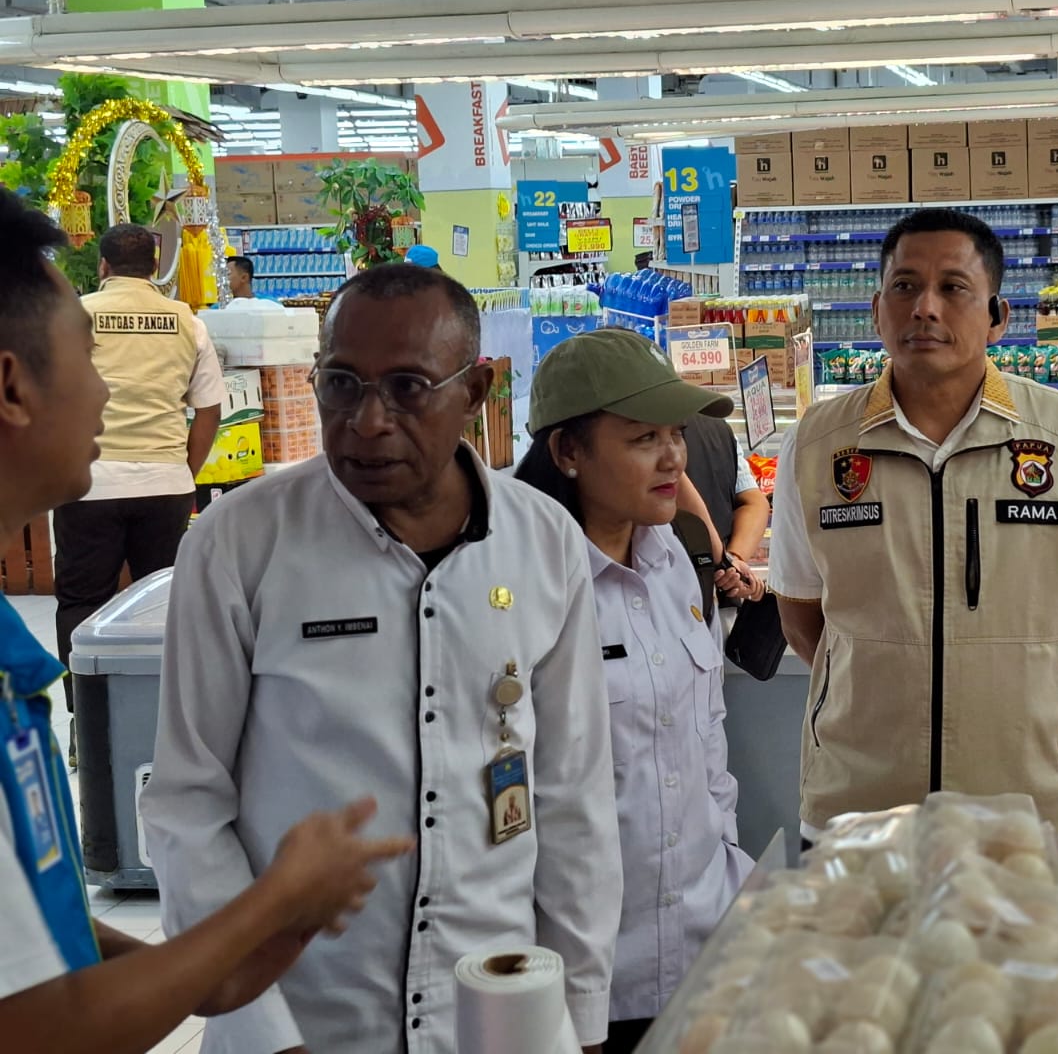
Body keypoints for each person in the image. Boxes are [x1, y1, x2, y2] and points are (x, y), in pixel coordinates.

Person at [142, 263, 623, 1054]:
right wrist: (265, 1032)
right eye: (341, 384)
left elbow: (574, 796)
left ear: (476, 391)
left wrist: (582, 1015)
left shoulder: (543, 542)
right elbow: (188, 802)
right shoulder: (242, 542)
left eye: (408, 387)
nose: (367, 421)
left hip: (495, 1016)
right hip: (309, 1018)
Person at [0, 187, 412, 1053]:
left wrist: (238, 955)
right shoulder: (239, 531)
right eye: (85, 359)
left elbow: (44, 943)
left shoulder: (12, 662)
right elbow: (43, 1025)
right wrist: (275, 900)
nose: (105, 389)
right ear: (12, 386)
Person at [768, 208, 1058, 837]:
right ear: (876, 310)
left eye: (954, 287)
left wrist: (1010, 670)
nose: (925, 308)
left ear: (997, 316)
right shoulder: (817, 444)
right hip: (857, 802)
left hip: (1024, 800)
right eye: (905, 286)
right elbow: (802, 617)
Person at [515, 329, 755, 1053]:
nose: (674, 457)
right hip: (588, 976)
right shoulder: (524, 588)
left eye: (675, 434)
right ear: (568, 451)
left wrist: (730, 868)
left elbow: (707, 744)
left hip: (703, 948)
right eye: (644, 438)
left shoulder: (673, 561)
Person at [53, 222, 223, 764]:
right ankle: (164, 721)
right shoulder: (188, 322)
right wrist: (183, 471)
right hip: (165, 483)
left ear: (102, 266)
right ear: (155, 267)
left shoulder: (74, 316)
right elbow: (209, 409)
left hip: (89, 481)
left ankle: (86, 725)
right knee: (164, 606)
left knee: (82, 601)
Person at [682, 411, 771, 609]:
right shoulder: (719, 428)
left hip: (671, 590)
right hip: (718, 594)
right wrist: (732, 560)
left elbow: (755, 502)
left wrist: (730, 562)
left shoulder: (645, 424)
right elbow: (755, 502)